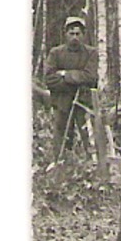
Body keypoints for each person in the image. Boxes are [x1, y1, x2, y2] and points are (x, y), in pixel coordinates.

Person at [42, 16, 98, 159]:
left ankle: (92, 166)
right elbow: (49, 79)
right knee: (61, 138)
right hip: (61, 102)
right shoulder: (55, 53)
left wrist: (65, 74)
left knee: (88, 137)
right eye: (71, 33)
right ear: (65, 34)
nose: (75, 37)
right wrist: (76, 80)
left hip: (84, 102)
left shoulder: (91, 53)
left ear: (83, 35)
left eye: (78, 34)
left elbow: (90, 77)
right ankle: (62, 166)